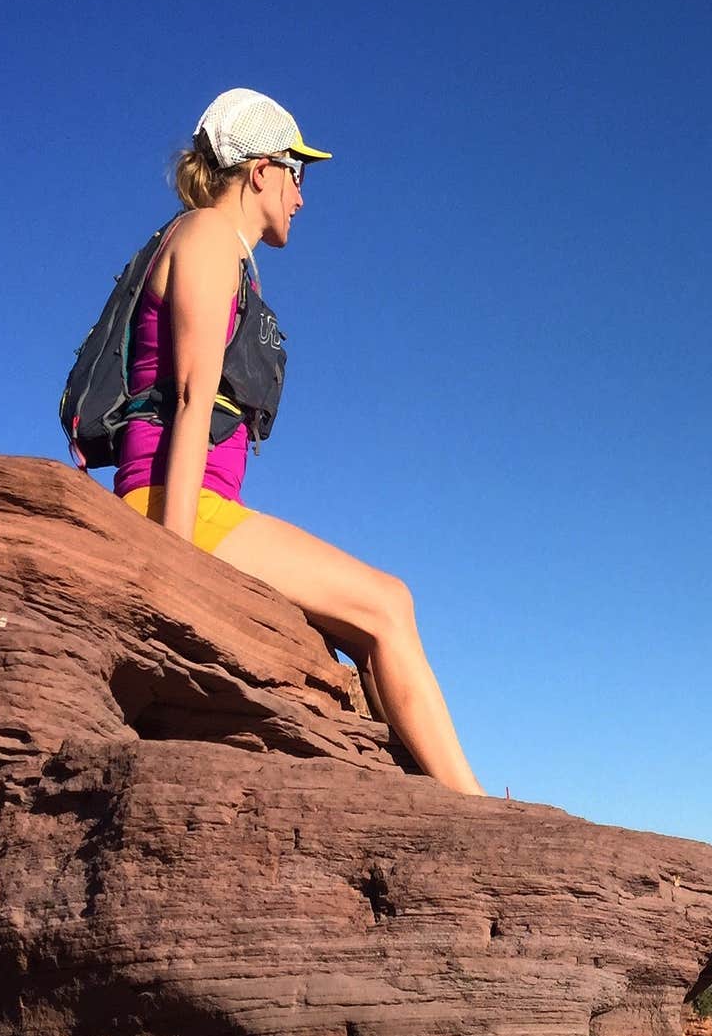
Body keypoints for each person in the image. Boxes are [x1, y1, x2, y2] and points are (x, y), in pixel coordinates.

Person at [114, 88, 488, 797]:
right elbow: (192, 400)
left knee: (366, 625)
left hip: (194, 506)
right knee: (387, 602)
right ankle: (472, 809)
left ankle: (435, 800)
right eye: (297, 173)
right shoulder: (204, 239)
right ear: (259, 169)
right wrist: (172, 571)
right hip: (175, 507)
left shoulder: (215, 246)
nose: (302, 196)